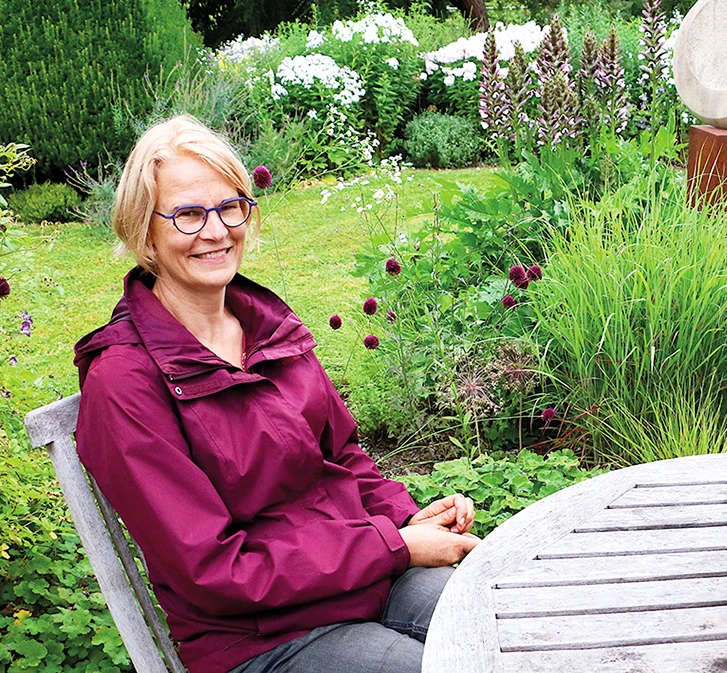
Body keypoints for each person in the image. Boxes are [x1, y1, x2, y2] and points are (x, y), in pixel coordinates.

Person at [73, 115, 479, 673]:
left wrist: (409, 520)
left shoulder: (266, 328)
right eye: (188, 215)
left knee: (509, 623)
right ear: (145, 232)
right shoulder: (124, 383)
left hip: (362, 576)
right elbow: (214, 570)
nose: (216, 232)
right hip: (260, 636)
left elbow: (343, 457)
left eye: (229, 207)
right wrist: (395, 547)